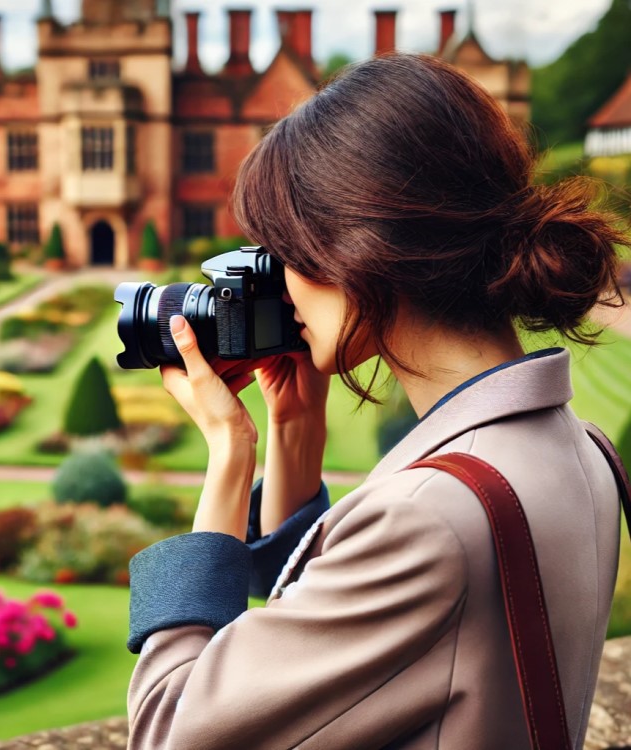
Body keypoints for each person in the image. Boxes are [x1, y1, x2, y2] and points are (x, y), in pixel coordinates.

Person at [125, 53, 628, 749]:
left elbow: (170, 731)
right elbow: (327, 631)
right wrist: (294, 434)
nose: (273, 282)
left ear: (356, 250)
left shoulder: (431, 518)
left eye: (281, 251)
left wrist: (227, 459)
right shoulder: (583, 448)